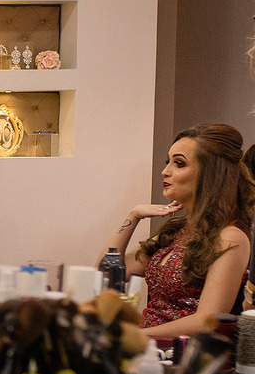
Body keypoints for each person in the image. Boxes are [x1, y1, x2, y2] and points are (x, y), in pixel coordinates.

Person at [103, 123, 252, 336]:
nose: (165, 172)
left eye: (179, 164)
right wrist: (133, 216)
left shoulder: (230, 238)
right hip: (148, 344)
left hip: (182, 350)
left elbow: (206, 321)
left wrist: (134, 337)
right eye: (168, 162)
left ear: (209, 173)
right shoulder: (176, 231)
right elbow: (107, 272)